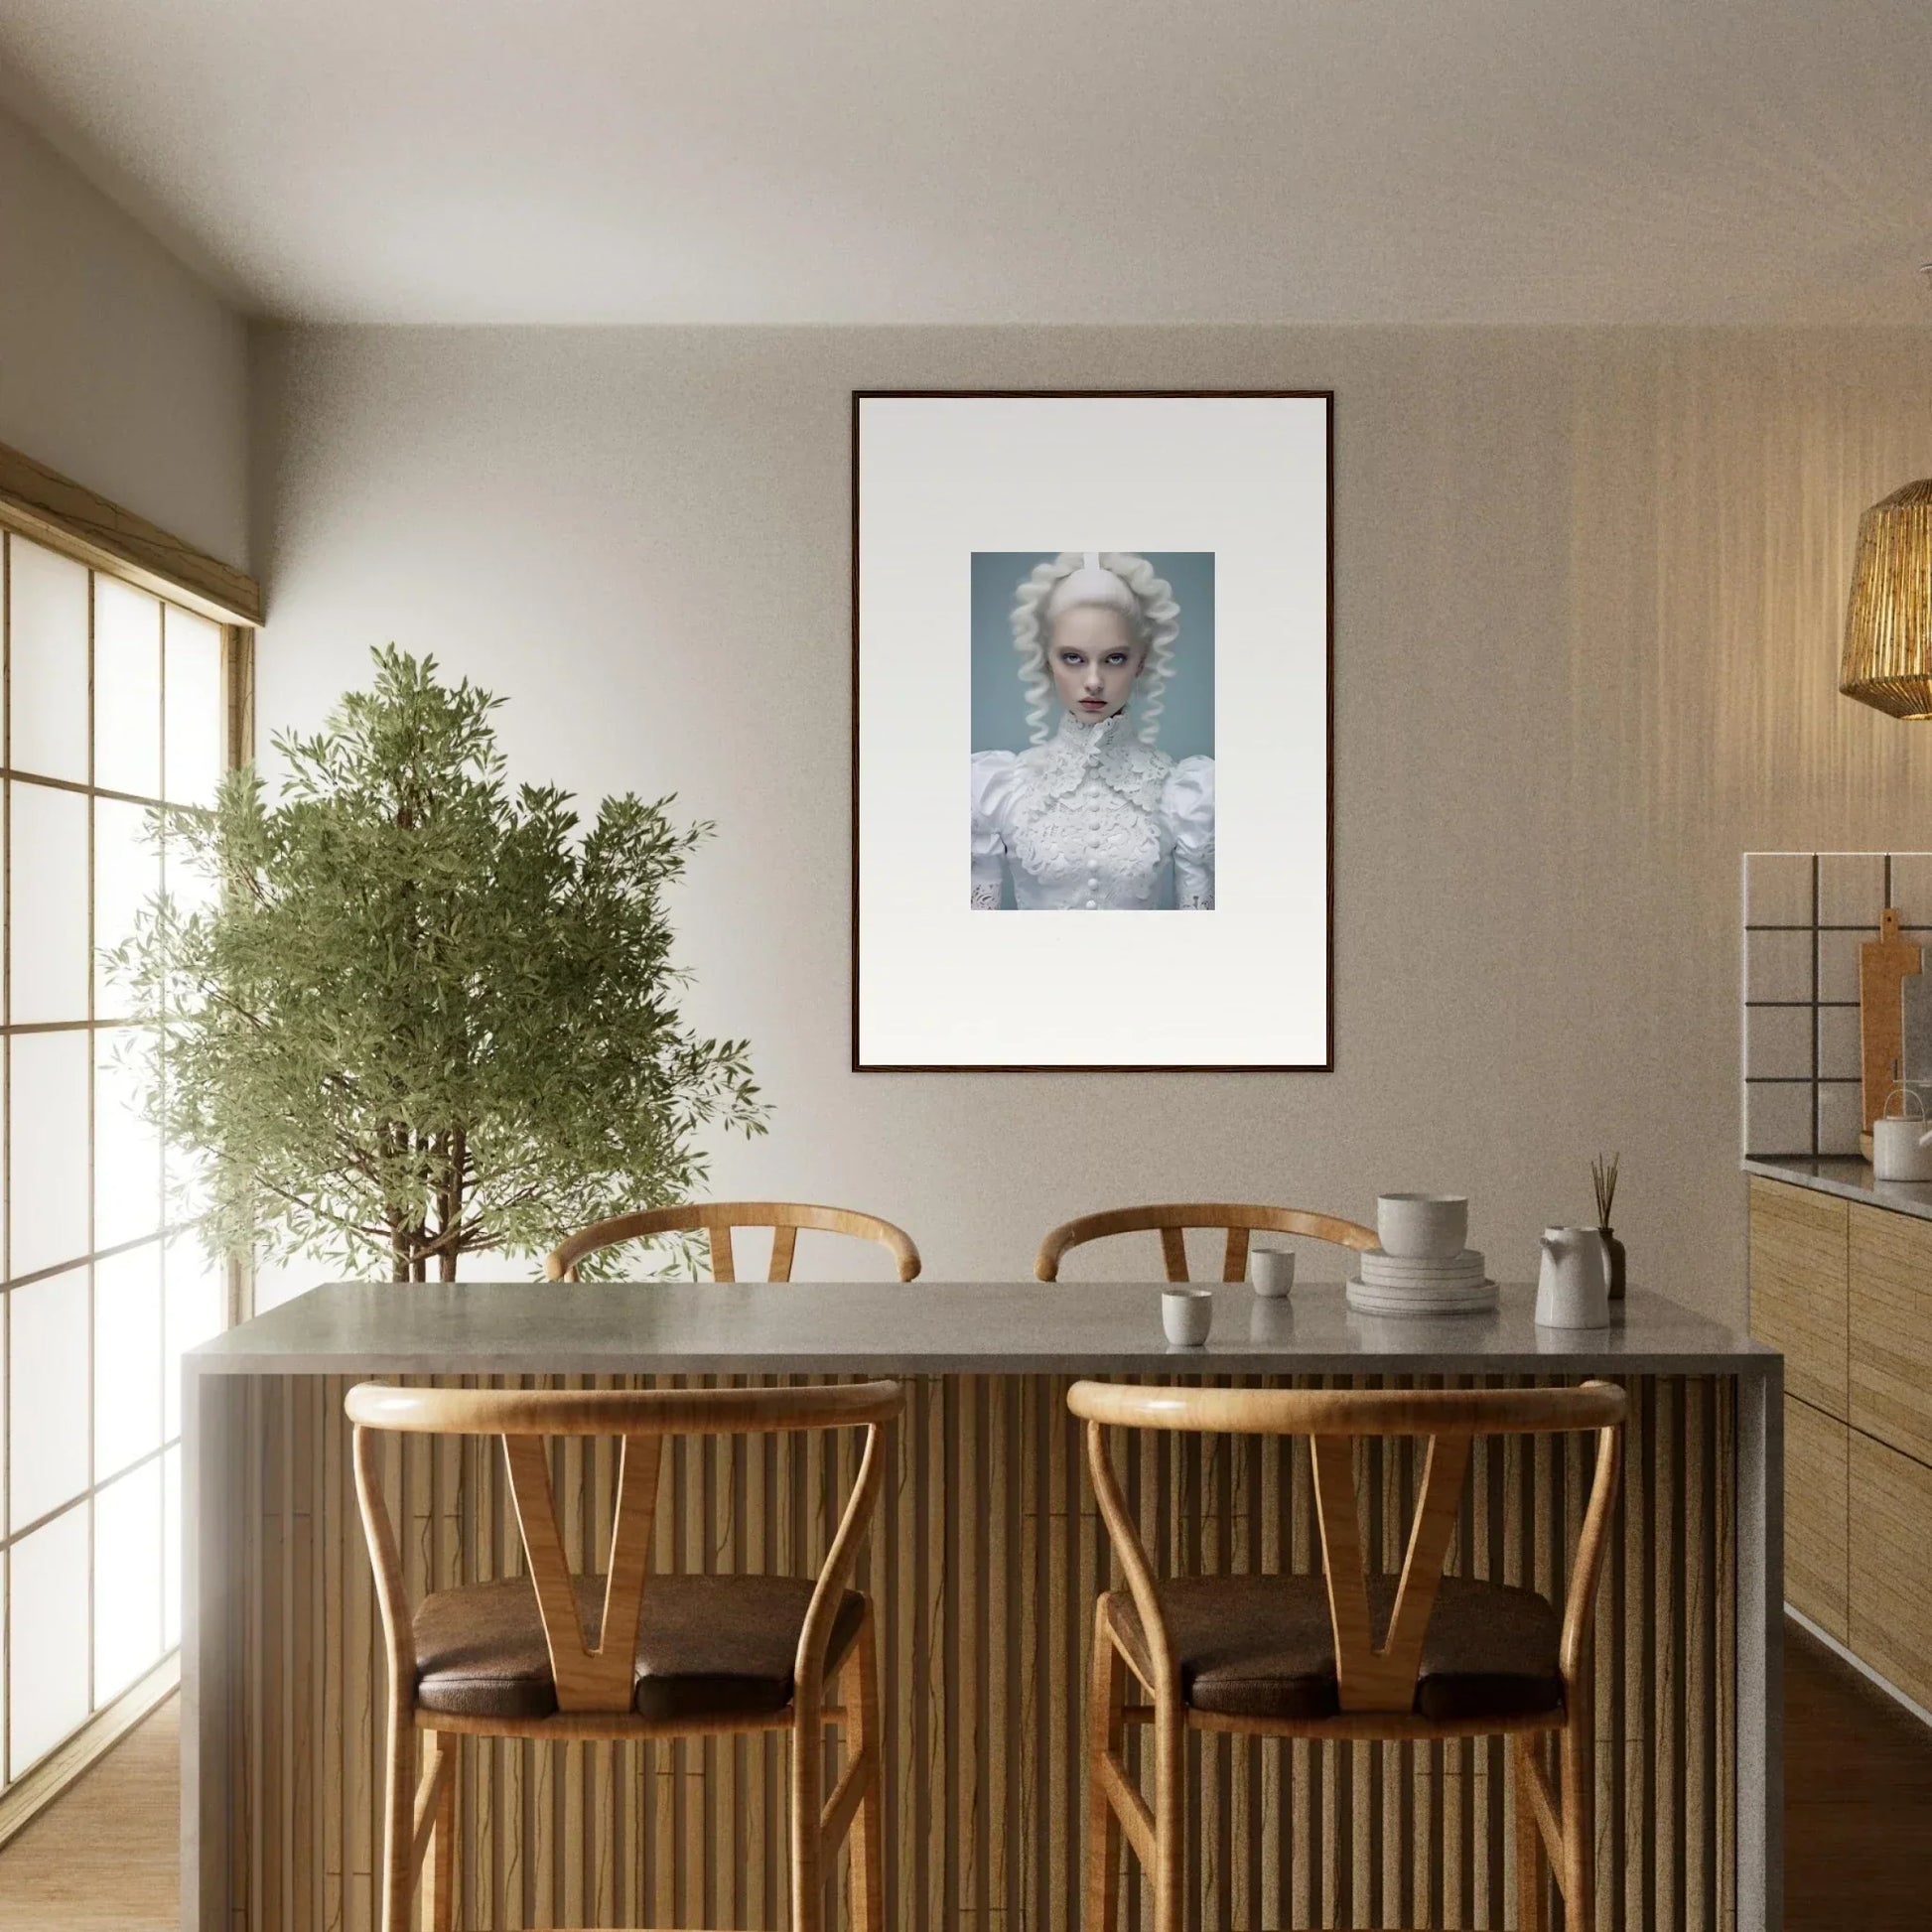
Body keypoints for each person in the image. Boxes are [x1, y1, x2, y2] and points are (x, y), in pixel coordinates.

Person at [970, 551, 1213, 910]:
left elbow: (1201, 937)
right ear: (1048, 662)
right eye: (1073, 658)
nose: (1094, 682)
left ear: (1140, 663)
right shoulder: (999, 788)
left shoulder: (1185, 793)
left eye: (1115, 659)